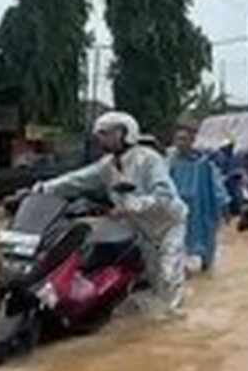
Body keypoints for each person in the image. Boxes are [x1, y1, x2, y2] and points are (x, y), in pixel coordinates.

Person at [33, 112, 188, 314]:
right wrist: (42, 188)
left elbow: (165, 196)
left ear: (125, 133)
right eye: (100, 134)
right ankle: (153, 317)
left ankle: (171, 322)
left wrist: (131, 205)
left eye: (106, 133)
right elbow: (76, 180)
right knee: (151, 276)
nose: (101, 139)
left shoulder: (149, 159)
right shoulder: (106, 165)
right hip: (139, 228)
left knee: (168, 275)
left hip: (168, 225)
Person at [166, 125, 228, 274]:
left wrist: (224, 205)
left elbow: (217, 186)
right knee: (179, 241)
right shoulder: (169, 162)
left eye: (184, 139)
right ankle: (182, 270)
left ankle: (207, 270)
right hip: (178, 207)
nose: (180, 143)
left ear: (192, 141)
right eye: (178, 139)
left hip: (202, 207)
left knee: (206, 240)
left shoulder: (204, 163)